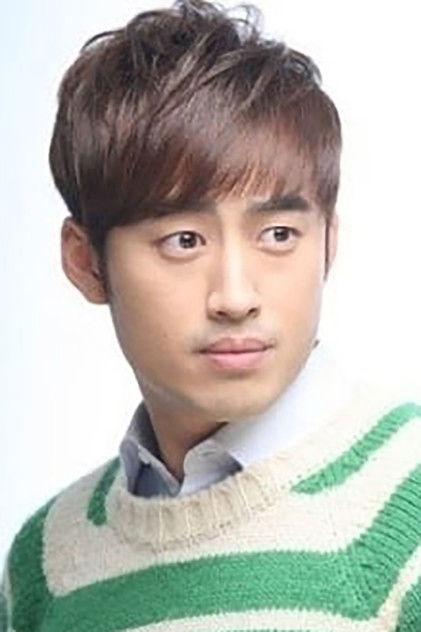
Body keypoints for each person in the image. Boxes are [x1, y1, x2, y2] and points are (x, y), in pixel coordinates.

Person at [1, 0, 420, 630]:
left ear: (328, 243)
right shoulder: (46, 565)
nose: (235, 296)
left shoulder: (408, 508)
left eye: (278, 234)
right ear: (86, 262)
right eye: (184, 241)